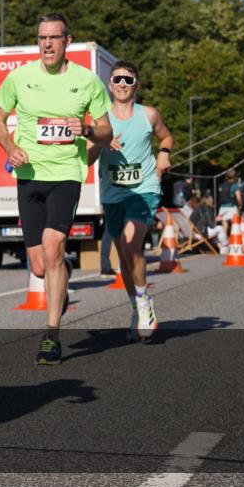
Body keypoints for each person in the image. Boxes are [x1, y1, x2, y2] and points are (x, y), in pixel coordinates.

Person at [0, 12, 112, 365]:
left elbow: (105, 132)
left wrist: (87, 130)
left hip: (66, 175)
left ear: (66, 41)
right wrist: (10, 149)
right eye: (42, 37)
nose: (47, 43)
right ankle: (62, 270)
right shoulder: (20, 78)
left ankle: (51, 334)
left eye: (54, 38)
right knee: (41, 266)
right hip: (29, 176)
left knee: (53, 244)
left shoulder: (87, 82)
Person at [86, 61, 173, 343]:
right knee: (124, 255)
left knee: (130, 242)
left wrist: (164, 153)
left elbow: (167, 135)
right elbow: (86, 160)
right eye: (117, 79)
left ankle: (144, 299)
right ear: (109, 85)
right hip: (113, 196)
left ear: (136, 85)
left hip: (144, 191)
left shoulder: (148, 114)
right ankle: (136, 306)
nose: (122, 84)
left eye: (128, 79)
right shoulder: (102, 121)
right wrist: (100, 141)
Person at [216, 169, 242, 234]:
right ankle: (235, 242)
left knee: (224, 226)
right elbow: (238, 197)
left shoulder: (221, 185)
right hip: (231, 207)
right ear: (235, 176)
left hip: (222, 207)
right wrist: (240, 205)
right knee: (235, 225)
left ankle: (224, 242)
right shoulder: (235, 185)